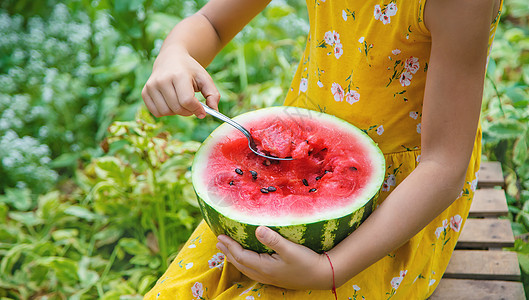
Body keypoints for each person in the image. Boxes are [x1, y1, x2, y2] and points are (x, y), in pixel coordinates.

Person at [142, 0, 503, 298]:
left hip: (402, 201)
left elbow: (443, 167)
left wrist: (328, 271)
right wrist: (175, 52)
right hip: (288, 154)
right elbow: (212, 22)